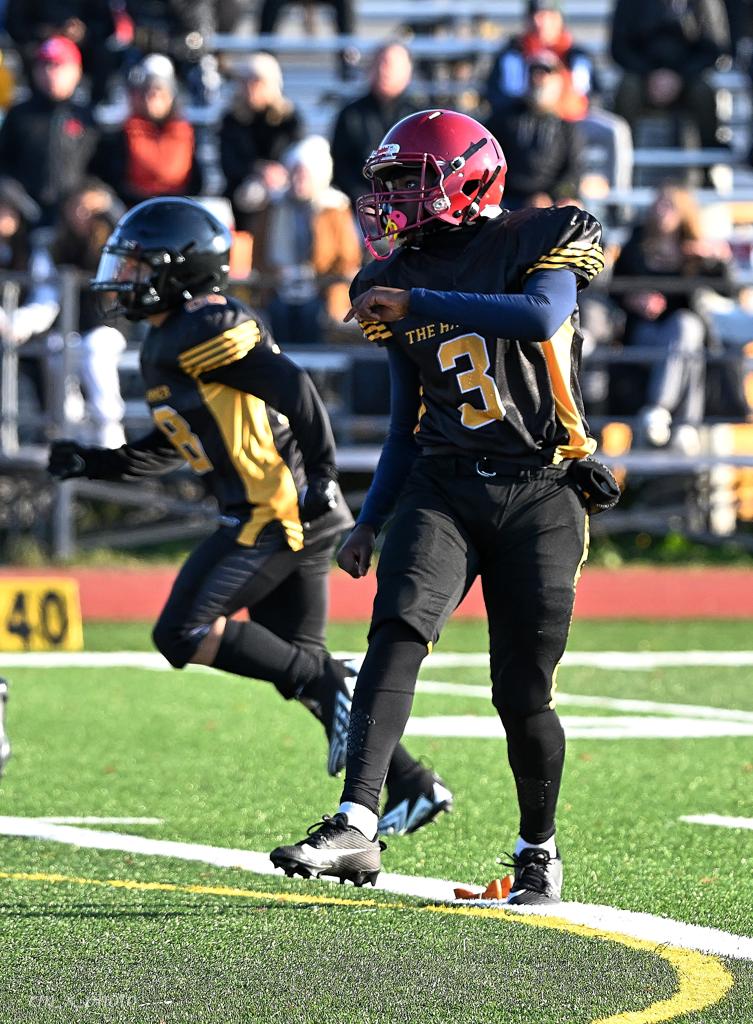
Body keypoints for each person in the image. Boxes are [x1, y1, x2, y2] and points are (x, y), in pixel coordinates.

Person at [270, 109, 619, 897]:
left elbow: (540, 316)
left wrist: (421, 301)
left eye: (409, 181)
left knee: (521, 694)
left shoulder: (542, 234)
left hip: (542, 488)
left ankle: (537, 847)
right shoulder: (391, 279)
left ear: (468, 179)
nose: (392, 200)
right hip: (443, 483)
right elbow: (408, 421)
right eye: (388, 184)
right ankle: (357, 822)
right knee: (396, 631)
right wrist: (371, 518)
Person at [46, 196, 451, 832]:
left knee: (181, 633)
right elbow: (179, 440)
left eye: (138, 267)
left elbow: (296, 388)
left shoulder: (206, 325)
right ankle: (413, 785)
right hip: (280, 511)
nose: (124, 280)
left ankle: (330, 683)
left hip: (278, 511)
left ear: (180, 270)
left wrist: (323, 473)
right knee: (301, 666)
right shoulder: (168, 337)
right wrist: (96, 463)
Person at [611, 184, 732, 449]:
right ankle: (684, 425)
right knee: (688, 350)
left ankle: (659, 410)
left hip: (683, 334)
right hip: (645, 332)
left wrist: (716, 261)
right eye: (658, 203)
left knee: (686, 327)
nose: (661, 210)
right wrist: (635, 299)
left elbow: (727, 290)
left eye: (669, 205)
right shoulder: (637, 242)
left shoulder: (694, 248)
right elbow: (614, 288)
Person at [252, 135, 363, 345]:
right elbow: (258, 253)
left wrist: (318, 279)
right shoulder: (273, 207)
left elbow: (347, 257)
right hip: (279, 286)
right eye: (294, 173)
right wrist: (277, 275)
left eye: (304, 175)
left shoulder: (334, 208)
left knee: (312, 316)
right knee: (278, 315)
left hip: (320, 289)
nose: (298, 180)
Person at [0, 36, 98, 226]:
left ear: (77, 71)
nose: (50, 72)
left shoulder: (88, 118)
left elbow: (101, 169)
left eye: (58, 65)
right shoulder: (19, 114)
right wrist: (9, 195)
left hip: (74, 214)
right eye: (44, 64)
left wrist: (89, 195)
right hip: (23, 213)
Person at [610, 0, 731, 151]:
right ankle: (623, 155)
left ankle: (709, 158)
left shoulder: (703, 3)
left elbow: (713, 47)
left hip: (688, 78)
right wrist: (650, 74)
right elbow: (619, 47)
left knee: (703, 92)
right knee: (628, 89)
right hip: (642, 77)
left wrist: (679, 77)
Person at [93, 53, 201, 209]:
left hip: (180, 208)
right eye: (147, 90)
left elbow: (202, 180)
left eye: (160, 90)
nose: (153, 96)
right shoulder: (120, 135)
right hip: (134, 208)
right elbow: (109, 176)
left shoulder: (191, 133)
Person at [485, 50, 584, 209]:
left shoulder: (566, 128)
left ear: (558, 81)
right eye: (534, 72)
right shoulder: (503, 119)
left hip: (551, 203)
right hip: (507, 200)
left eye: (546, 73)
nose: (539, 78)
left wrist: (554, 196)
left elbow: (573, 172)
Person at [219, 52, 303, 233]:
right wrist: (258, 169)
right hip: (241, 192)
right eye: (245, 81)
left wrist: (278, 172)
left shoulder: (289, 119)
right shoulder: (232, 119)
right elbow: (229, 164)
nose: (250, 87)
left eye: (256, 81)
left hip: (283, 187)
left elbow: (295, 154)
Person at [331, 42, 415, 210]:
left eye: (391, 65)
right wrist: (363, 199)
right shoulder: (351, 114)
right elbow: (340, 166)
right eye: (380, 63)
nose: (384, 70)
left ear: (408, 72)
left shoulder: (417, 118)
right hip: (359, 208)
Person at [484, 0, 596, 122]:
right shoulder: (511, 55)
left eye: (547, 15)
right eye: (535, 15)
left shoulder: (577, 57)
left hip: (572, 121)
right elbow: (495, 96)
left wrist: (560, 106)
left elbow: (594, 96)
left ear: (559, 18)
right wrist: (530, 105)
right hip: (521, 123)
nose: (540, 22)